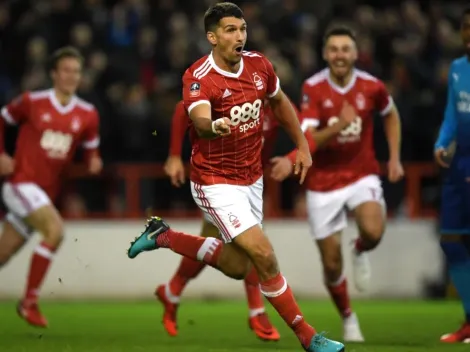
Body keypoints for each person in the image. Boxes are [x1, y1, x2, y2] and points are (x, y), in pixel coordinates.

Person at [128, 3, 345, 351]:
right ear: (212, 37)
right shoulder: (199, 76)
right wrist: (212, 126)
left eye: (242, 28)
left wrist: (302, 146)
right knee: (264, 254)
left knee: (236, 265)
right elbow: (197, 118)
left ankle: (164, 236)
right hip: (213, 181)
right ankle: (307, 335)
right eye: (230, 30)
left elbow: (280, 102)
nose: (239, 36)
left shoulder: (260, 65)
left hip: (251, 178)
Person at [270, 26, 404, 342]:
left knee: (373, 230)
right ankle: (348, 317)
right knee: (331, 264)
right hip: (323, 182)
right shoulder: (313, 88)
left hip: (361, 173)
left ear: (356, 54)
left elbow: (391, 115)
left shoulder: (372, 86)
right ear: (325, 54)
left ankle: (360, 248)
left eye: (345, 49)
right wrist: (338, 127)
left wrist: (395, 157)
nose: (340, 55)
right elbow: (308, 140)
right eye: (334, 49)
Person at [159, 98, 285, 340]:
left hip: (245, 182)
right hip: (215, 180)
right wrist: (175, 155)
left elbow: (296, 128)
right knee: (251, 243)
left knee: (211, 243)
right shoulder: (230, 93)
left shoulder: (276, 108)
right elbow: (182, 108)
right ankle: (256, 310)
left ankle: (172, 290)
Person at [0, 46, 102, 327]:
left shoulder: (88, 113)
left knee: (3, 254)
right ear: (54, 74)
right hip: (21, 184)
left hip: (44, 194)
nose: (71, 76)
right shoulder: (32, 102)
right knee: (55, 231)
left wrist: (93, 161)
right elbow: (2, 118)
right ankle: (29, 302)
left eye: (76, 71)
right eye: (66, 70)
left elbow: (91, 148)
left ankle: (28, 301)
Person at [434, 8, 470, 344]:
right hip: (460, 166)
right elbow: (451, 114)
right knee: (451, 240)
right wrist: (442, 143)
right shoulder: (458, 69)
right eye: (466, 28)